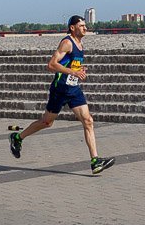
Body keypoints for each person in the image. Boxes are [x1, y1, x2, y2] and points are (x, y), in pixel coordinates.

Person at [8, 14, 114, 175]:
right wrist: (72, 71)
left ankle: (95, 161)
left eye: (85, 25)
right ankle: (17, 138)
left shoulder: (80, 44)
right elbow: (51, 65)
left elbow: (71, 65)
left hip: (74, 89)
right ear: (72, 27)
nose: (85, 28)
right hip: (60, 89)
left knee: (88, 121)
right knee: (46, 122)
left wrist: (79, 71)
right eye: (81, 26)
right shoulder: (67, 43)